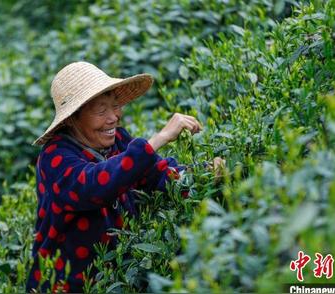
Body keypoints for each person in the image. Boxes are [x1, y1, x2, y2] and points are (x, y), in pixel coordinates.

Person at [26, 61, 224, 293]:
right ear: (72, 119)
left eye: (116, 105)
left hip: (117, 274)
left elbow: (155, 174)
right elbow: (94, 186)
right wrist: (158, 139)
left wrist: (201, 174)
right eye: (101, 111)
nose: (113, 117)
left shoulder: (118, 139)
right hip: (68, 283)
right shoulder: (55, 156)